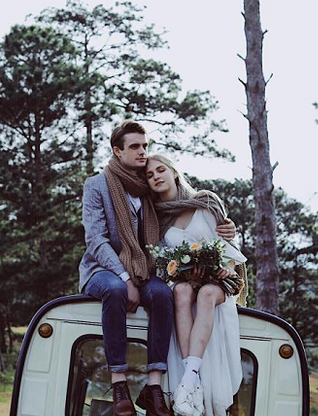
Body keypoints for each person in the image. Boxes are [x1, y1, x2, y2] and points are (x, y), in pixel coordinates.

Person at [79, 121, 236, 416]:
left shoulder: (146, 189)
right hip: (103, 269)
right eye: (135, 146)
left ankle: (154, 387)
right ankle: (119, 384)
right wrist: (125, 277)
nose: (142, 152)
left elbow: (182, 208)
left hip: (144, 271)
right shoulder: (97, 185)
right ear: (117, 151)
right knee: (115, 290)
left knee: (164, 294)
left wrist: (228, 228)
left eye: (145, 146)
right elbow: (96, 241)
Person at [145, 154, 247, 416]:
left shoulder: (206, 202)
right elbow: (162, 259)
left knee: (207, 294)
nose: (156, 176)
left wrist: (228, 268)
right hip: (185, 283)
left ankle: (189, 379)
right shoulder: (158, 218)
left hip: (218, 281)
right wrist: (183, 270)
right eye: (149, 175)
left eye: (160, 170)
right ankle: (193, 384)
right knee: (181, 291)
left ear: (173, 172)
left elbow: (228, 243)